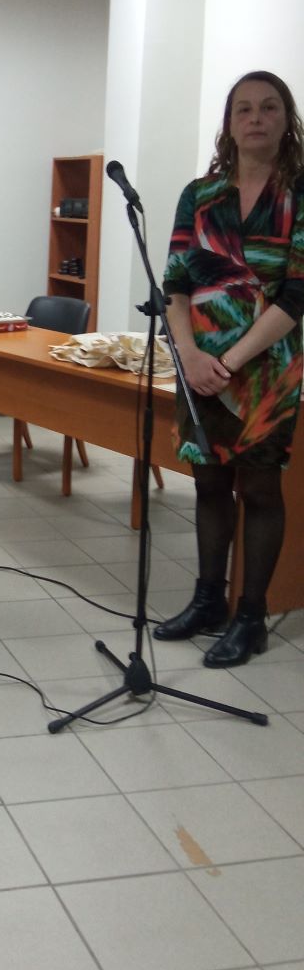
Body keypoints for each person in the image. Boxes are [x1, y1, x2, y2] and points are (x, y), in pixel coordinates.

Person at [154, 71, 304, 666]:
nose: (256, 118)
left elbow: (297, 295)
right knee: (209, 483)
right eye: (244, 109)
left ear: (286, 121)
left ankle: (251, 617)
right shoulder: (200, 195)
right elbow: (175, 284)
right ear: (229, 123)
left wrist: (229, 361)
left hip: (268, 371)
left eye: (269, 108)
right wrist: (191, 355)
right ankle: (208, 601)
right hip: (198, 366)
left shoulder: (299, 195)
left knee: (260, 488)